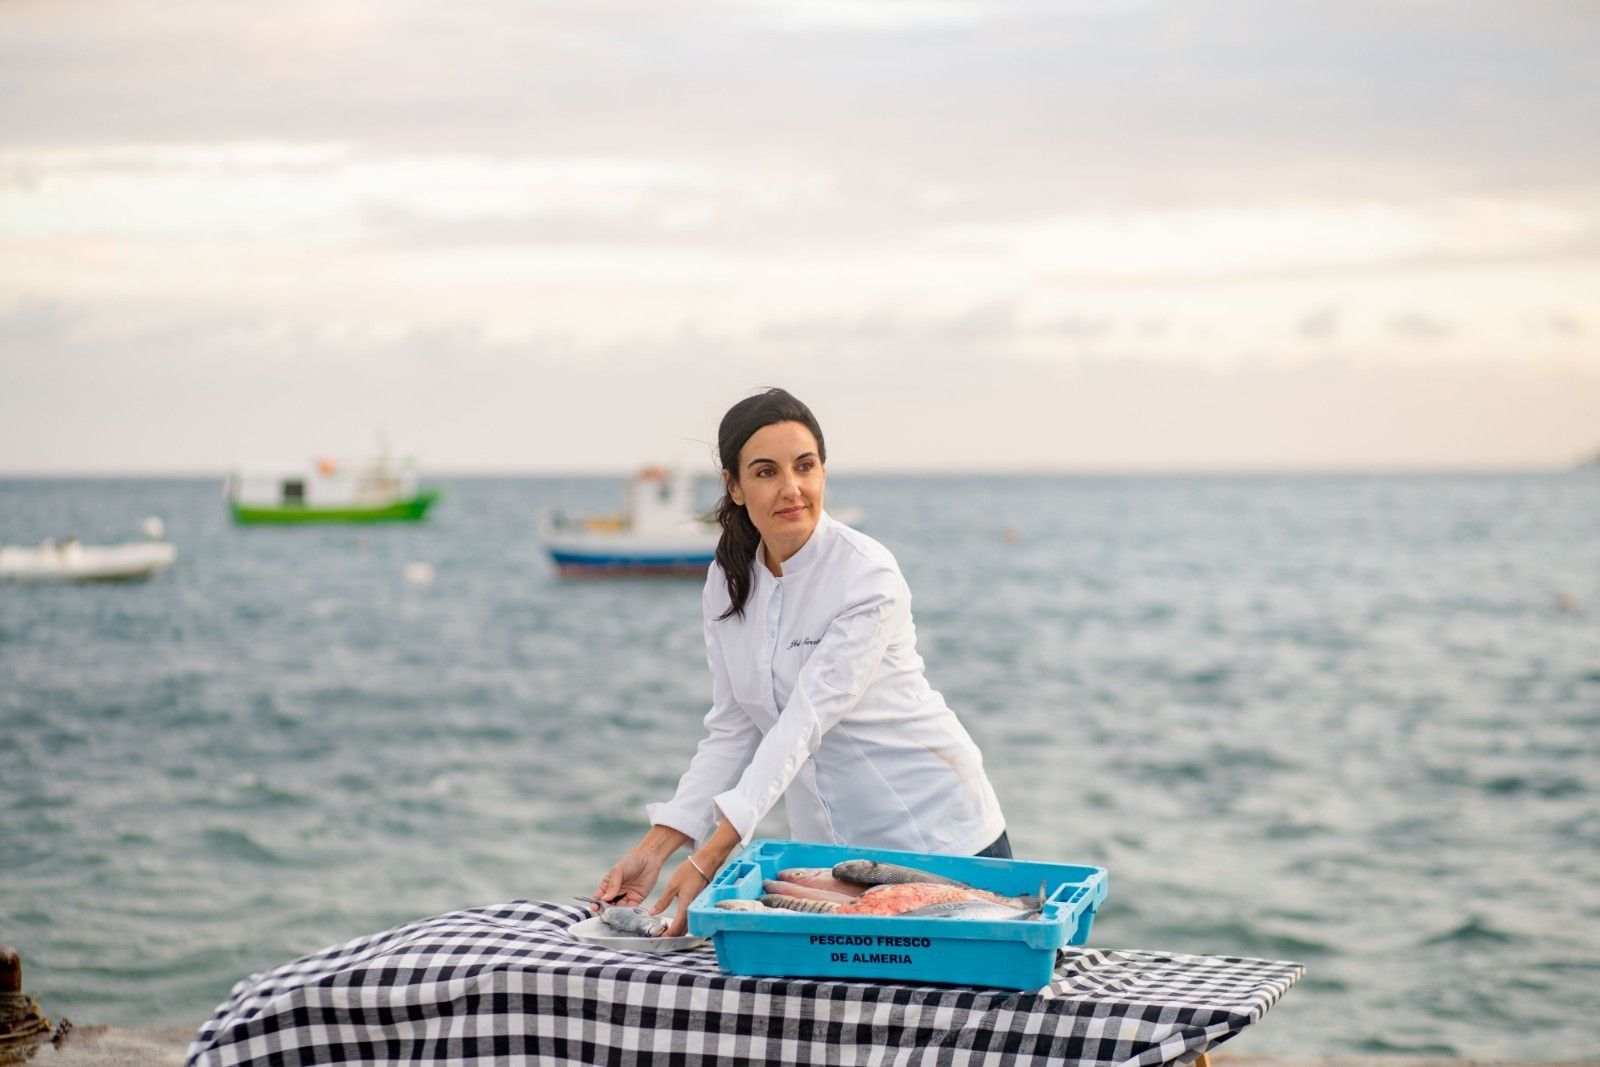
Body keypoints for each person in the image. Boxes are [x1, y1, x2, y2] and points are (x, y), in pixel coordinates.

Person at [592, 388, 1008, 936]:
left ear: (823, 473)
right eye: (765, 472)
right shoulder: (726, 581)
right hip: (834, 864)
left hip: (941, 838)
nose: (791, 488)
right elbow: (734, 729)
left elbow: (802, 724)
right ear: (734, 487)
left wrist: (709, 857)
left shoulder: (867, 576)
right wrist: (659, 844)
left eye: (804, 466)